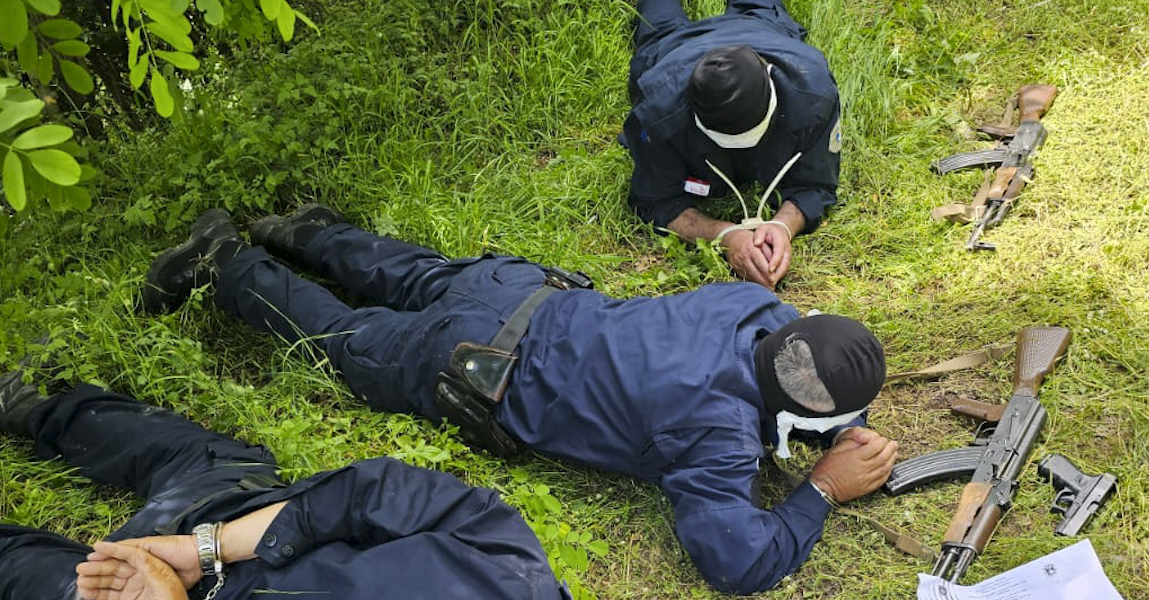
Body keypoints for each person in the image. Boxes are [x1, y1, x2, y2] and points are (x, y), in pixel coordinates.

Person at [142, 205, 899, 595]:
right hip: (475, 367)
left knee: (413, 273)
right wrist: (821, 489)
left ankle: (306, 230)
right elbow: (736, 561)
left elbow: (805, 355)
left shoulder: (753, 311)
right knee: (344, 337)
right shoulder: (718, 438)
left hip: (522, 292)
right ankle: (224, 262)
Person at [0, 347, 569, 600]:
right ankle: (28, 408)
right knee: (184, 452)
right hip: (233, 522)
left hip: (133, 592)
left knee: (24, 569)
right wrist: (208, 548)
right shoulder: (514, 570)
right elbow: (372, 491)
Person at [624, 0, 843, 288]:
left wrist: (783, 226)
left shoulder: (813, 95)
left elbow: (817, 184)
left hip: (761, 29)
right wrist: (724, 235)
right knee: (658, 18)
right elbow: (654, 200)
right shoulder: (659, 114)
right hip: (673, 48)